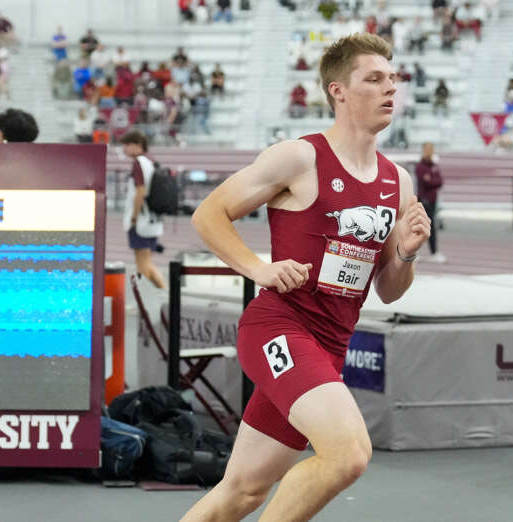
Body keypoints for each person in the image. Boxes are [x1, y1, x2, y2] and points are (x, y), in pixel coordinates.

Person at [182, 33, 430, 522]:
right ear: (338, 91)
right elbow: (209, 214)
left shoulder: (397, 180)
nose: (390, 89)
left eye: (393, 79)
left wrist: (404, 252)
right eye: (374, 79)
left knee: (242, 492)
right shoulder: (300, 157)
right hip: (279, 329)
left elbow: (387, 286)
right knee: (348, 453)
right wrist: (258, 268)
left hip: (328, 344)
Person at [120, 130, 165, 289]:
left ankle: (145, 301)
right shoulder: (151, 162)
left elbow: (140, 192)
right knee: (147, 263)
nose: (124, 149)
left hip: (142, 220)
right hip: (153, 219)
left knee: (142, 265)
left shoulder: (139, 162)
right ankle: (164, 294)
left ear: (138, 145)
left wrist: (134, 217)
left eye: (127, 145)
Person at [415, 142, 445, 263]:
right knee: (422, 226)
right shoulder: (420, 166)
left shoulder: (434, 166)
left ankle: (433, 252)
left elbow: (440, 181)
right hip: (424, 200)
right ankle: (416, 252)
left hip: (433, 200)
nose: (430, 151)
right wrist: (433, 180)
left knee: (431, 227)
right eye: (428, 149)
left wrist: (432, 179)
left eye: (431, 149)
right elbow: (428, 182)